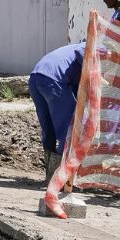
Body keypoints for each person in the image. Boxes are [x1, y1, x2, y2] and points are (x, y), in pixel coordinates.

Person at [30, 41, 86, 184]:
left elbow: (75, 90)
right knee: (69, 127)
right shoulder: (99, 46)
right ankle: (60, 178)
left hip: (36, 77)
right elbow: (81, 52)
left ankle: (51, 176)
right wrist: (93, 74)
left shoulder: (69, 51)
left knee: (48, 128)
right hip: (54, 80)